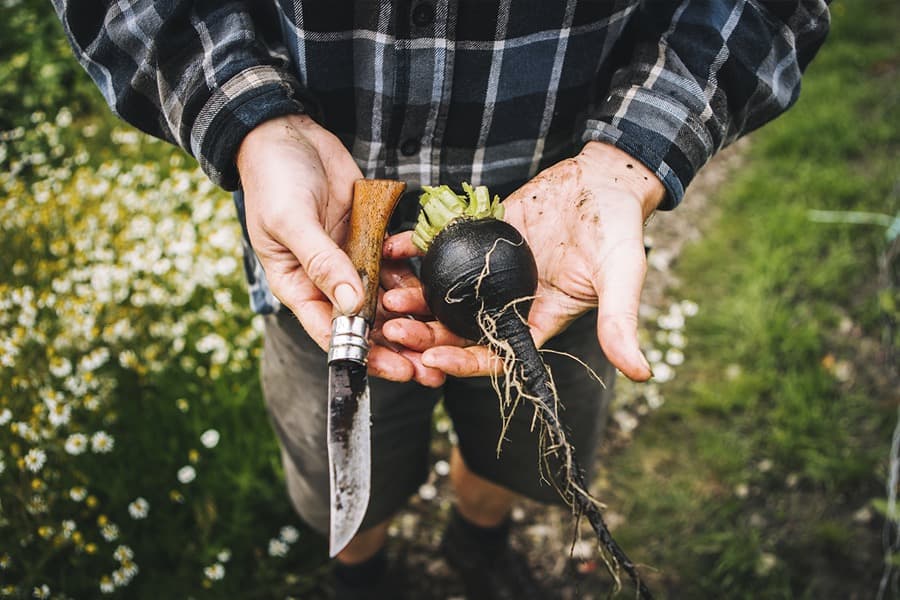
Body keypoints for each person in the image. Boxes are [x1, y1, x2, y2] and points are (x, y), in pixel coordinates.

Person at [53, 1, 830, 597]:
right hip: (328, 241)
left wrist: (630, 157)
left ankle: (476, 543)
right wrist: (249, 120)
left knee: (524, 435)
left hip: (558, 237)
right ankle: (359, 576)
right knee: (342, 471)